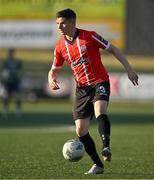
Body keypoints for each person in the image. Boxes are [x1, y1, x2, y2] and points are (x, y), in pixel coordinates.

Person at [48, 8, 138, 175]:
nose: (59, 27)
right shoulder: (60, 47)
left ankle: (106, 147)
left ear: (73, 22)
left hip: (99, 82)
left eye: (63, 23)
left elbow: (114, 50)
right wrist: (51, 79)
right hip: (81, 89)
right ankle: (98, 165)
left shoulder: (90, 36)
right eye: (57, 24)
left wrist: (129, 70)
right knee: (80, 130)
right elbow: (53, 70)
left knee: (100, 110)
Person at [1, 49, 22, 117]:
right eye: (10, 53)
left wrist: (18, 79)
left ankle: (18, 110)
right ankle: (5, 110)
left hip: (15, 81)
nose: (11, 54)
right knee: (6, 96)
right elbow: (4, 72)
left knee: (17, 96)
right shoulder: (6, 62)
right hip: (8, 82)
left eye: (12, 53)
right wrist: (4, 81)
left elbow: (19, 72)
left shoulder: (17, 62)